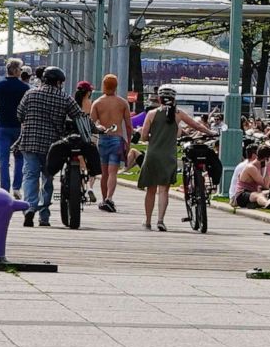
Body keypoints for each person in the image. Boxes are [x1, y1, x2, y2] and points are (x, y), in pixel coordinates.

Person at [15, 67, 84, 227]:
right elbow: (79, 117)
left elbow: (20, 115)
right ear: (59, 82)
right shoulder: (64, 98)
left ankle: (30, 208)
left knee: (30, 176)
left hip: (30, 142)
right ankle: (44, 216)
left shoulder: (30, 94)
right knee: (48, 179)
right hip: (52, 146)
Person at [137, 86, 214, 231]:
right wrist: (210, 132)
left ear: (159, 99)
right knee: (164, 190)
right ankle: (160, 220)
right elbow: (196, 125)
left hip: (153, 154)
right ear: (174, 99)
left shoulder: (152, 114)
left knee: (151, 190)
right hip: (169, 156)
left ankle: (148, 221)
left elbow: (143, 136)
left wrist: (152, 137)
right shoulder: (178, 114)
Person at [90, 74, 133, 214]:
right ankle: (109, 198)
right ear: (116, 87)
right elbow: (128, 125)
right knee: (113, 172)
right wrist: (129, 142)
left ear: (104, 85)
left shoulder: (97, 103)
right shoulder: (122, 103)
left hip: (103, 139)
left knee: (104, 173)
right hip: (117, 139)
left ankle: (104, 199)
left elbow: (91, 123)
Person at [0, 58, 29, 198]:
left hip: (2, 127)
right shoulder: (25, 88)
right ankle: (17, 187)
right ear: (17, 70)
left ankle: (4, 189)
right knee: (19, 158)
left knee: (3, 160)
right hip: (19, 127)